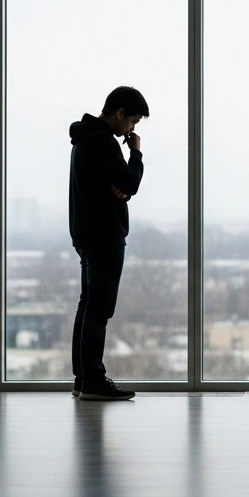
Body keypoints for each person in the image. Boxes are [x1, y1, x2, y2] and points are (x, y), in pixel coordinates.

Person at [68, 85, 148, 400]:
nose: (131, 129)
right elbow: (130, 182)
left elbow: (119, 187)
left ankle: (82, 379)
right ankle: (93, 380)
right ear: (119, 113)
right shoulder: (102, 142)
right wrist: (136, 152)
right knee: (99, 308)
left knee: (88, 304)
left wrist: (122, 189)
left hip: (86, 232)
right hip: (104, 235)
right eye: (133, 122)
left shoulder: (85, 139)